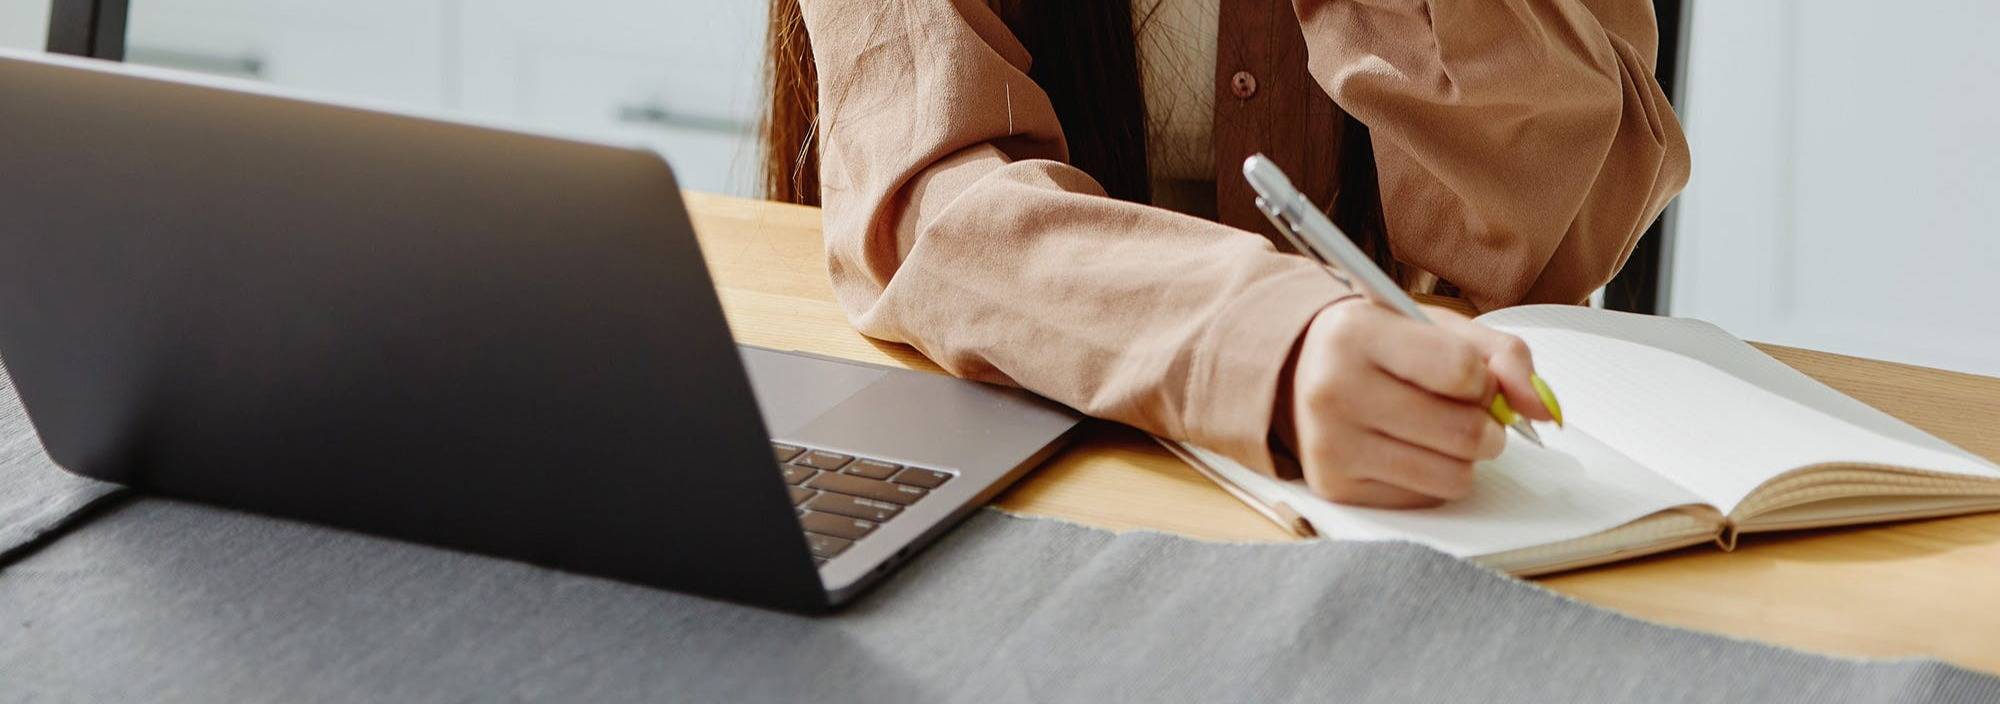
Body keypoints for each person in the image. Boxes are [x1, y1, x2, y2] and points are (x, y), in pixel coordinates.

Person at [761, 0, 1689, 508]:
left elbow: (1564, 228)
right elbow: (931, 203)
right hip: (1004, 441)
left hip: (1405, 467)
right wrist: (1269, 346)